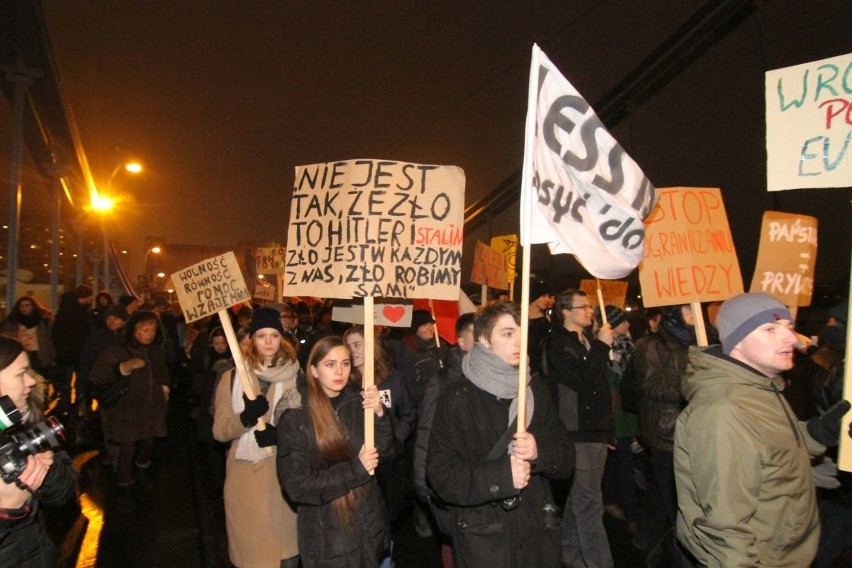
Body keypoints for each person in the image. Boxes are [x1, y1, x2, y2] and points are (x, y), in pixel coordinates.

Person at [674, 292, 850, 567]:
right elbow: (725, 528)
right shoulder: (725, 410)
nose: (791, 339)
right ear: (736, 341)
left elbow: (768, 450)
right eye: (770, 329)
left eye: (790, 327)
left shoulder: (759, 387)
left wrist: (817, 433)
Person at [427, 301, 575, 567]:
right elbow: (441, 476)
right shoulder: (458, 398)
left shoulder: (536, 389)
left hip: (536, 533)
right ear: (483, 339)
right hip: (485, 539)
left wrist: (540, 451)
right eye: (507, 333)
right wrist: (502, 477)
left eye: (522, 332)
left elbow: (566, 458)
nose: (519, 341)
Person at [276, 335, 393, 567]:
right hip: (328, 536)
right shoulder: (296, 417)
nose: (340, 371)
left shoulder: (356, 403)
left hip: (368, 526)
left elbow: (386, 452)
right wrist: (355, 470)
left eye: (345, 363)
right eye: (330, 364)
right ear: (314, 370)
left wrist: (380, 415)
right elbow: (297, 486)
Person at [212, 307, 300, 568]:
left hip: (284, 479)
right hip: (245, 481)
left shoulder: (296, 376)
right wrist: (246, 418)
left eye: (274, 335)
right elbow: (219, 431)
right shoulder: (232, 378)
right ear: (252, 339)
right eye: (262, 335)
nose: (269, 342)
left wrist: (281, 435)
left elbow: (308, 425)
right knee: (254, 559)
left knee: (287, 558)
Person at [544, 289, 615, 568]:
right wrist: (601, 347)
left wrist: (607, 430)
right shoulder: (556, 343)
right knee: (590, 505)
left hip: (595, 431)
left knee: (579, 501)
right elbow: (581, 381)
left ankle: (571, 555)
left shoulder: (585, 340)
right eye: (583, 306)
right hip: (575, 434)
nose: (590, 311)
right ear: (565, 311)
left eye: (590, 306)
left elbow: (601, 388)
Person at [623, 305, 694, 552]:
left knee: (660, 490)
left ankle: (645, 536)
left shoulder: (699, 341)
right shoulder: (651, 347)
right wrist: (697, 390)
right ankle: (679, 552)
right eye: (687, 310)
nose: (694, 315)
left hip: (689, 430)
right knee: (677, 500)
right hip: (666, 431)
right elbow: (652, 386)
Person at [0, 337, 77, 566]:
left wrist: (46, 469)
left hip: (36, 554)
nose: (30, 382)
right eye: (20, 373)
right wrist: (6, 512)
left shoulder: (26, 419)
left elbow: (64, 492)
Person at [344, 325, 417, 525]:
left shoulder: (391, 379)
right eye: (348, 346)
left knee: (387, 515)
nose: (353, 351)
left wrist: (395, 438)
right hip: (357, 462)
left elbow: (409, 413)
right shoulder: (344, 383)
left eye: (358, 344)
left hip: (388, 463)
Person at [90, 310, 170, 487]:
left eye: (153, 330)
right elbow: (97, 375)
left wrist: (164, 390)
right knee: (127, 447)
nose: (150, 335)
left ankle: (142, 468)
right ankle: (124, 483)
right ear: (134, 331)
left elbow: (162, 373)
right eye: (145, 330)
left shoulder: (155, 352)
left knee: (148, 442)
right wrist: (123, 367)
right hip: (127, 408)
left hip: (151, 406)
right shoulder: (119, 351)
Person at [51, 286, 95, 414]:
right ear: (84, 297)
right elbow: (82, 332)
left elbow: (57, 333)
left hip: (66, 353)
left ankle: (65, 404)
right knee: (80, 381)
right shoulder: (79, 312)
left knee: (66, 381)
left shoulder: (65, 309)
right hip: (77, 352)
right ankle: (79, 406)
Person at [0, 295, 55, 376]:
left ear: (33, 307)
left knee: (41, 379)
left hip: (40, 355)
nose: (24, 308)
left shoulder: (43, 320)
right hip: (20, 353)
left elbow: (51, 338)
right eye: (21, 306)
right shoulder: (12, 321)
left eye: (27, 305)